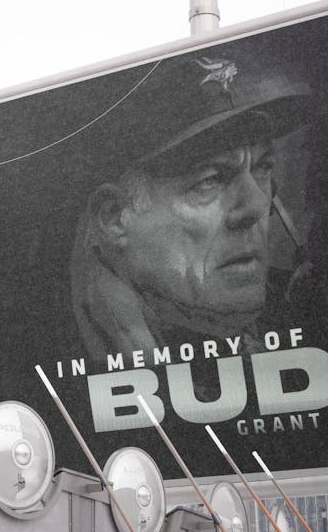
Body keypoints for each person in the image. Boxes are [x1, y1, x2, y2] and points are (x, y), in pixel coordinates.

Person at [70, 53, 314, 362]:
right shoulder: (68, 360)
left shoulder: (307, 303)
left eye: (262, 168)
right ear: (114, 218)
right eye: (209, 181)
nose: (255, 206)